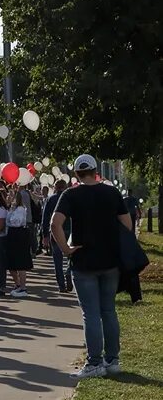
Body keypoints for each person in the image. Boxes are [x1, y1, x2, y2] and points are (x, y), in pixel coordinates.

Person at [52, 154, 131, 379]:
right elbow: (126, 223)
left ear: (77, 174)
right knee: (109, 310)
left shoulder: (71, 194)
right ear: (96, 171)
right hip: (110, 261)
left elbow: (55, 224)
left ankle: (94, 362)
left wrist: (66, 250)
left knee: (91, 314)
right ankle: (113, 360)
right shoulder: (111, 192)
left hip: (83, 260)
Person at [42, 179, 73, 293]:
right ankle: (69, 272)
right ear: (65, 187)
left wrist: (44, 235)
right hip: (68, 230)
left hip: (54, 230)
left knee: (57, 259)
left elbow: (45, 217)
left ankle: (61, 285)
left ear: (55, 187)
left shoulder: (51, 199)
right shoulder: (70, 198)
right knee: (71, 256)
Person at [5, 189, 33, 297]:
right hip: (12, 235)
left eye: (11, 195)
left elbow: (15, 222)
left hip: (19, 235)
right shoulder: (12, 209)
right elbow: (8, 221)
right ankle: (17, 284)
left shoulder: (21, 209)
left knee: (21, 263)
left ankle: (23, 287)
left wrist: (10, 216)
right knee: (11, 263)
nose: (9, 197)